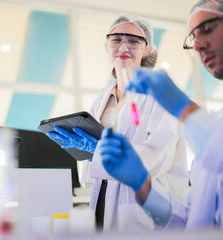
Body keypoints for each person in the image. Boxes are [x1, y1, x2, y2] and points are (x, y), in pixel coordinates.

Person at [99, 0, 223, 229]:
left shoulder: (205, 126)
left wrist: (185, 109)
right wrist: (143, 184)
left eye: (207, 29)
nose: (198, 45)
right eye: (193, 36)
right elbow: (196, 220)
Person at [47, 14, 189, 232]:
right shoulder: (102, 100)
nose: (124, 46)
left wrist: (99, 150)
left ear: (147, 49)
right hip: (102, 203)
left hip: (145, 211)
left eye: (134, 41)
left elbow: (158, 157)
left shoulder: (159, 93)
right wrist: (86, 150)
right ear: (106, 46)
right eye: (116, 39)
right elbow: (95, 166)